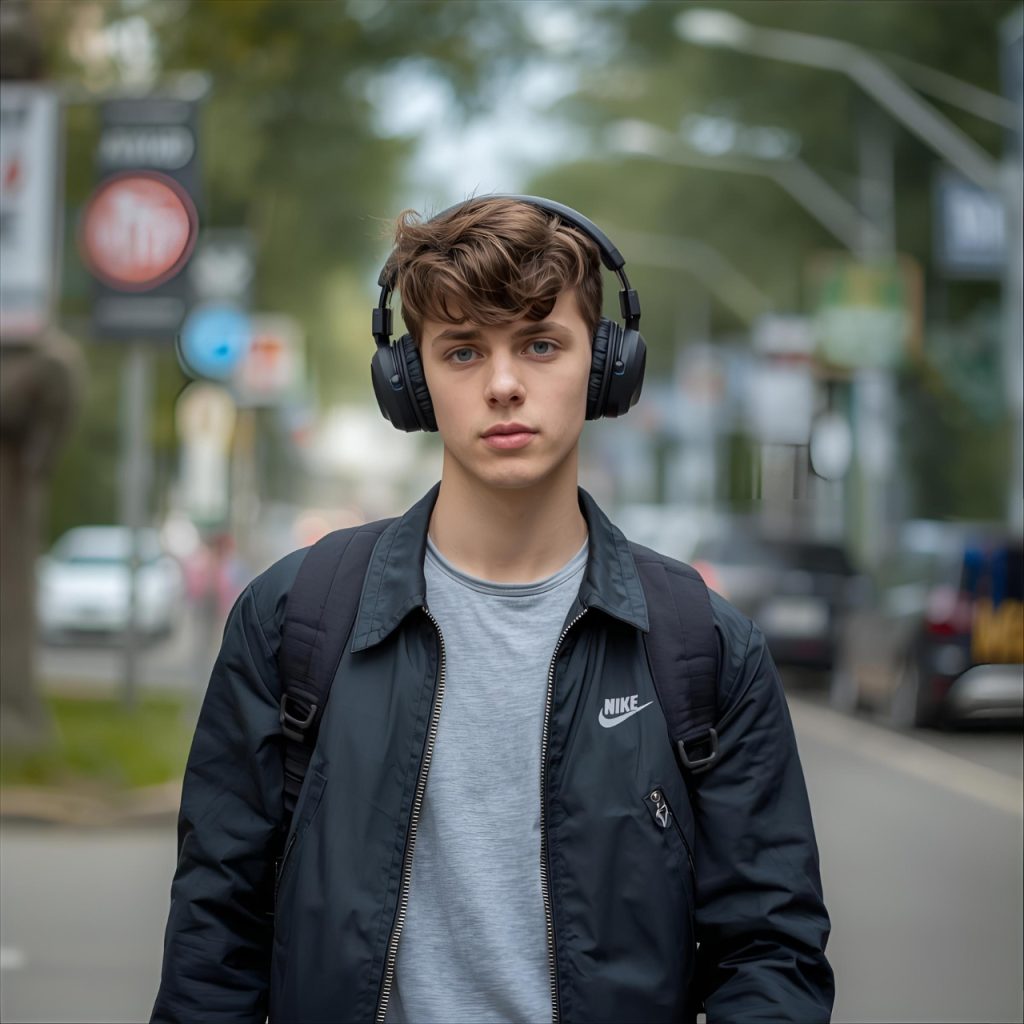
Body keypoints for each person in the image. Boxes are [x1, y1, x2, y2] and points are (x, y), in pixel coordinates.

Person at [152, 195, 834, 1024]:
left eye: (542, 345)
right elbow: (213, 943)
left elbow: (770, 951)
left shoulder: (703, 646)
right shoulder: (295, 618)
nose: (505, 385)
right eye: (464, 351)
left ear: (608, 365)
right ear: (410, 382)